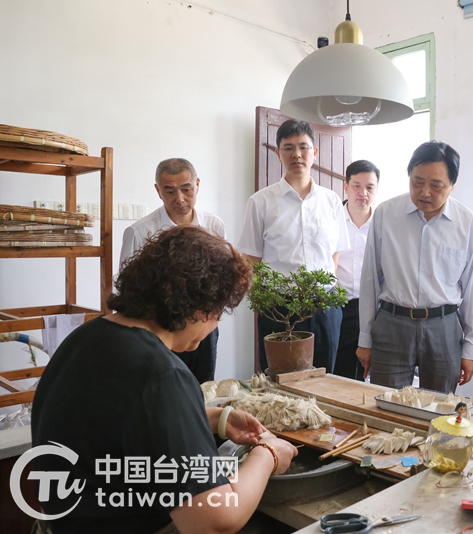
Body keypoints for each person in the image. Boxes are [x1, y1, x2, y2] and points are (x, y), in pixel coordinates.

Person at [32, 226, 298, 534]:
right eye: (218, 312)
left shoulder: (86, 338)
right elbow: (214, 521)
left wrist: (215, 419)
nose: (215, 325)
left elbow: (113, 425)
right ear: (199, 307)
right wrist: (267, 455)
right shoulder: (161, 374)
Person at [357, 141, 473, 393]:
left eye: (436, 185)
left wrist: (470, 349)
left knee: (439, 408)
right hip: (392, 324)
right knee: (386, 403)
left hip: (444, 327)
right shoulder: (386, 214)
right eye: (417, 182)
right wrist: (365, 339)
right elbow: (370, 278)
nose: (425, 192)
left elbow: (472, 289)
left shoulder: (466, 223)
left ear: (452, 185)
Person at [238, 119, 349, 374]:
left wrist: (321, 290)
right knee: (280, 380)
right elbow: (252, 259)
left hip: (324, 306)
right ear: (278, 154)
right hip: (279, 308)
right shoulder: (260, 202)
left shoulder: (332, 201)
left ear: (314, 152)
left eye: (303, 147)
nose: (296, 154)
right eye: (288, 148)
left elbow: (334, 252)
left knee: (325, 378)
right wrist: (269, 301)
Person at [120, 158, 225, 383]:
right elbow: (128, 289)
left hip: (203, 328)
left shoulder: (214, 225)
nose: (180, 198)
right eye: (170, 191)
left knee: (204, 388)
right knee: (164, 387)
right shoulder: (140, 231)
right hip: (161, 330)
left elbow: (222, 278)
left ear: (197, 184)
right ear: (158, 191)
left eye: (186, 189)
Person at [334, 160, 380, 381]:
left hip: (371, 309)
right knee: (336, 373)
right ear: (346, 187)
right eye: (356, 186)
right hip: (337, 307)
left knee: (366, 377)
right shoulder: (331, 219)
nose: (363, 193)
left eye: (370, 187)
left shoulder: (382, 224)